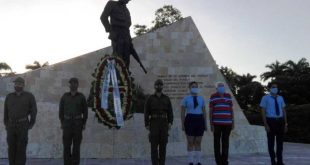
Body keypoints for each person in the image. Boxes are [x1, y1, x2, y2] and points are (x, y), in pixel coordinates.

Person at [4, 77, 37, 165]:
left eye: (19, 84)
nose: (17, 85)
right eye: (15, 84)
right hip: (11, 126)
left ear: (23, 85)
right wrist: (6, 124)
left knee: (21, 148)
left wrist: (30, 124)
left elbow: (34, 111)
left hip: (23, 126)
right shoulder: (9, 96)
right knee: (11, 148)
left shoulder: (29, 96)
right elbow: (5, 112)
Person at [59, 78, 88, 165]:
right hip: (67, 124)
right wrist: (62, 123)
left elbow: (85, 111)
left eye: (75, 83)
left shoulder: (81, 97)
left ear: (77, 85)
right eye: (71, 83)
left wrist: (84, 123)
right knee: (66, 146)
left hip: (77, 124)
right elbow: (61, 111)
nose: (73, 85)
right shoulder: (64, 96)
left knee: (76, 147)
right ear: (69, 85)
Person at [144, 79, 174, 165]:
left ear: (162, 86)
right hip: (154, 123)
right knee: (153, 147)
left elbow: (170, 112)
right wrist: (146, 124)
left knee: (163, 146)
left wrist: (170, 122)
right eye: (157, 85)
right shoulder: (150, 98)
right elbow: (146, 112)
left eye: (160, 85)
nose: (159, 86)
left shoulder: (166, 98)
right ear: (154, 86)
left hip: (164, 123)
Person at [260, 83, 287, 165]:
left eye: (276, 87)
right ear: (269, 89)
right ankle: (273, 160)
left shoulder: (280, 98)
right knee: (271, 143)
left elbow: (284, 111)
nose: (275, 88)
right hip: (271, 121)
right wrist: (266, 124)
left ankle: (280, 161)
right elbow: (263, 111)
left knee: (280, 144)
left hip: (280, 122)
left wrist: (286, 123)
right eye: (273, 87)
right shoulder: (265, 98)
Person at [181, 81, 207, 165]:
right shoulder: (185, 98)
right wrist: (182, 124)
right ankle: (190, 162)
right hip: (190, 119)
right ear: (189, 88)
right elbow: (182, 112)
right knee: (190, 141)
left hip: (199, 119)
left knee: (198, 141)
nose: (195, 88)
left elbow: (204, 112)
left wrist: (205, 124)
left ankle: (199, 161)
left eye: (196, 86)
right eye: (193, 86)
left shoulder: (201, 98)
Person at [100, 0, 132, 68]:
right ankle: (116, 76)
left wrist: (129, 38)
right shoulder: (111, 4)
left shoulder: (127, 10)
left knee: (127, 58)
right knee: (118, 56)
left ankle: (126, 76)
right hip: (117, 33)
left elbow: (129, 23)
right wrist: (110, 31)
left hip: (126, 34)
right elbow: (103, 17)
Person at [209, 82, 234, 165]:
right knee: (216, 143)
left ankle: (224, 161)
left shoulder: (228, 96)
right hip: (216, 124)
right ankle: (218, 161)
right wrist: (211, 124)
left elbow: (231, 110)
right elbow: (211, 111)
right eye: (219, 86)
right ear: (216, 88)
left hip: (228, 124)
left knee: (225, 143)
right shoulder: (213, 97)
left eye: (222, 86)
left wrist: (233, 121)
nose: (221, 88)